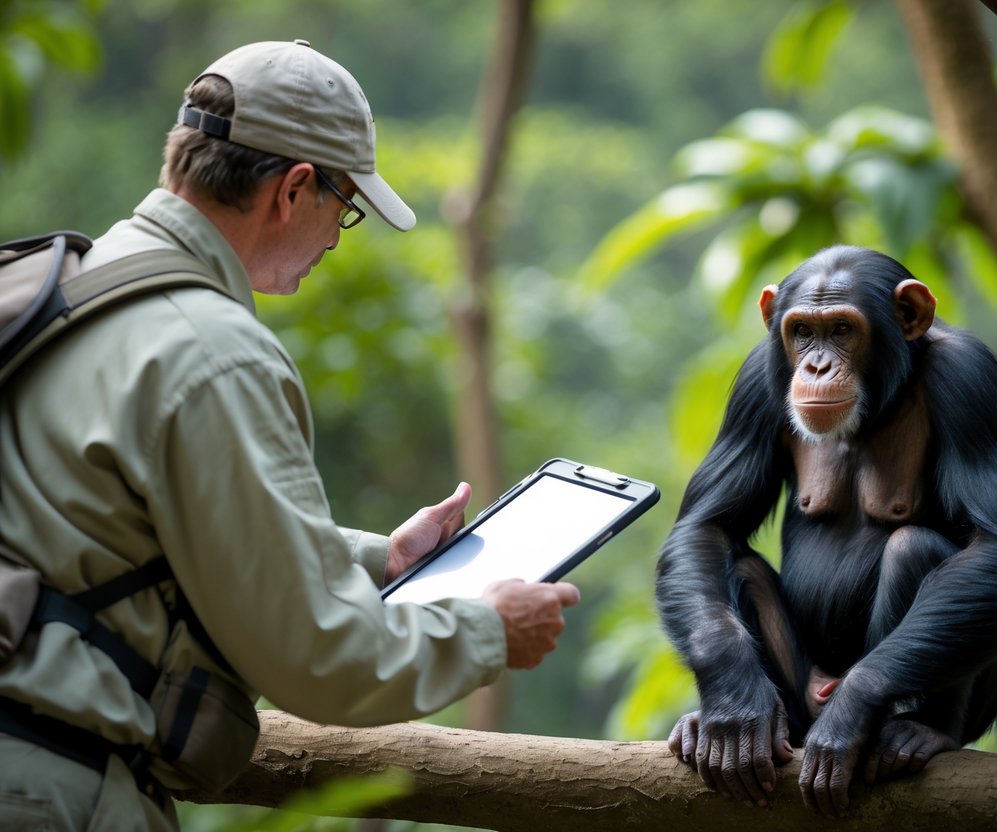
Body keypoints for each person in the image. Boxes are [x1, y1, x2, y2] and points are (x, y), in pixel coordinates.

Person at [0, 39, 579, 831]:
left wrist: (381, 560)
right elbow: (321, 658)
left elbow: (115, 526)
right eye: (344, 208)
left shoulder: (65, 281)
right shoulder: (210, 349)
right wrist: (486, 630)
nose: (339, 237)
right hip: (49, 790)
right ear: (295, 188)